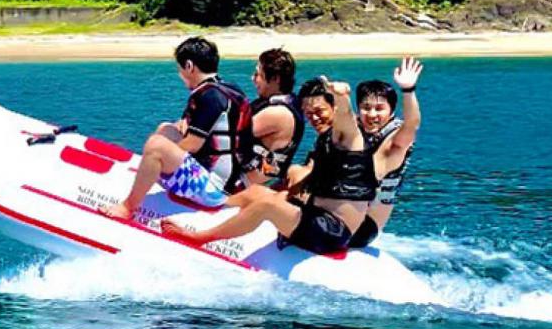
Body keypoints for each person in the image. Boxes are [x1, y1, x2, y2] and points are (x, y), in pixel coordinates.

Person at [162, 76, 375, 255]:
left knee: (268, 206)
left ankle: (199, 238)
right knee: (256, 193)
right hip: (316, 217)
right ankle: (203, 211)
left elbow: (346, 118)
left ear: (334, 108)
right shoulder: (326, 139)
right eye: (309, 114)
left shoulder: (349, 137)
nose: (314, 118)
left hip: (332, 231)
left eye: (320, 111)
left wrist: (342, 96)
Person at [104, 37, 252, 218]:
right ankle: (149, 174)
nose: (180, 75)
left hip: (214, 190)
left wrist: (161, 154)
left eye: (180, 69)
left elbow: (193, 144)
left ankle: (128, 208)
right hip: (227, 180)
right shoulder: (228, 88)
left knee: (156, 145)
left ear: (189, 66)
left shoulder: (209, 96)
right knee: (165, 129)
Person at [348, 57, 423, 248]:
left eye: (379, 109)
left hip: (366, 227)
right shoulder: (356, 128)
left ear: (391, 111)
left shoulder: (397, 136)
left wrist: (408, 90)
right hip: (346, 212)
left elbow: (412, 124)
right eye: (366, 108)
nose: (372, 115)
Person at [232, 48, 305, 192]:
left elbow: (227, 135)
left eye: (257, 74)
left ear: (275, 79)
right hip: (246, 182)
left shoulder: (278, 113)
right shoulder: (275, 104)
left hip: (248, 187)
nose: (253, 79)